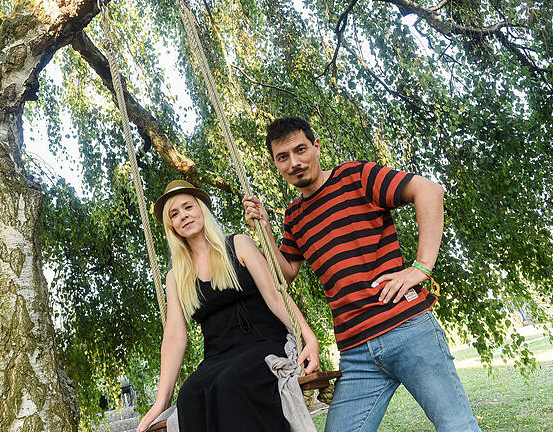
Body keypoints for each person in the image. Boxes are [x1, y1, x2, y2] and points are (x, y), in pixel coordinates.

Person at [242, 117, 481, 432]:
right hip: (356, 354)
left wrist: (420, 268)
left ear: (316, 146)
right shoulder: (294, 217)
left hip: (408, 330)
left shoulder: (356, 176)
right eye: (283, 157)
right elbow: (283, 276)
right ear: (276, 164)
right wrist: (264, 233)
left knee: (456, 426)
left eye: (300, 150)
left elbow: (429, 191)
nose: (295, 162)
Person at [136, 180, 320, 432]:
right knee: (190, 392)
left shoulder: (239, 245)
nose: (183, 216)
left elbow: (276, 295)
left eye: (188, 207)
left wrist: (308, 338)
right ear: (171, 227)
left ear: (201, 209)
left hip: (264, 342)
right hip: (218, 356)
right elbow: (174, 337)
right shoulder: (176, 276)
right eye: (174, 215)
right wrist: (160, 402)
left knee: (231, 382)